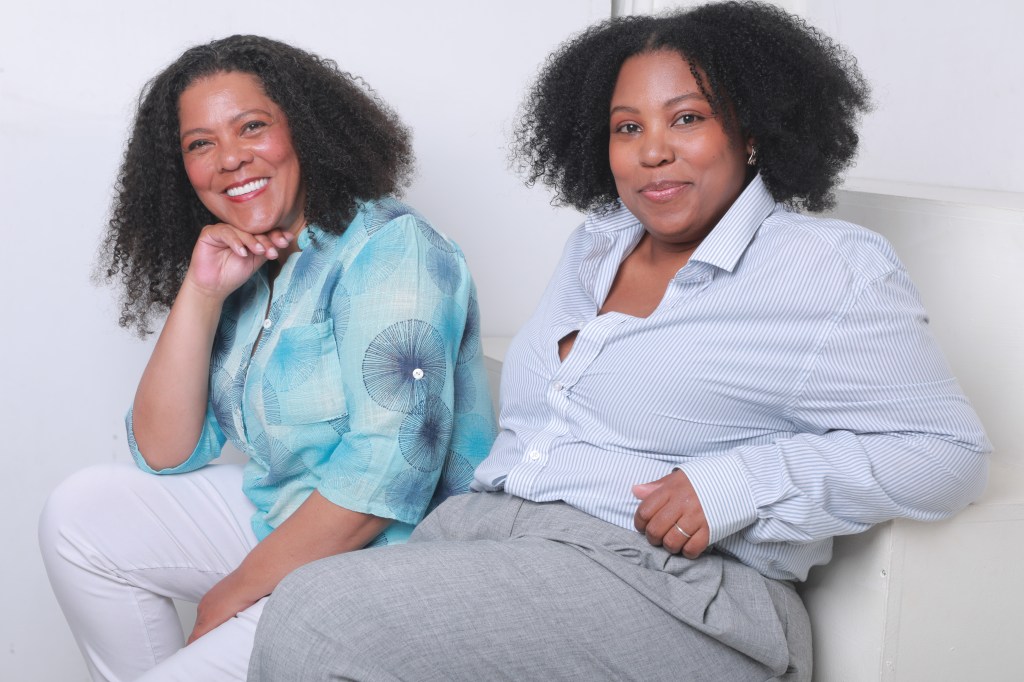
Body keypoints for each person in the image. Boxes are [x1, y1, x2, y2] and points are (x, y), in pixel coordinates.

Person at [249, 3, 990, 680]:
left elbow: (947, 453)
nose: (652, 152)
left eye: (687, 118)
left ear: (752, 133)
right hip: (494, 542)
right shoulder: (598, 243)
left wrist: (740, 482)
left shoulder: (826, 267)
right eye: (627, 128)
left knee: (319, 614)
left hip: (675, 592)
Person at [38, 35, 496, 682]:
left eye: (252, 126)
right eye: (201, 144)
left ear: (304, 128)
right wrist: (202, 293)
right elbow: (164, 452)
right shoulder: (253, 261)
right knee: (81, 512)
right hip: (283, 519)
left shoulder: (396, 248)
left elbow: (383, 477)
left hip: (390, 565)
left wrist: (231, 594)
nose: (230, 159)